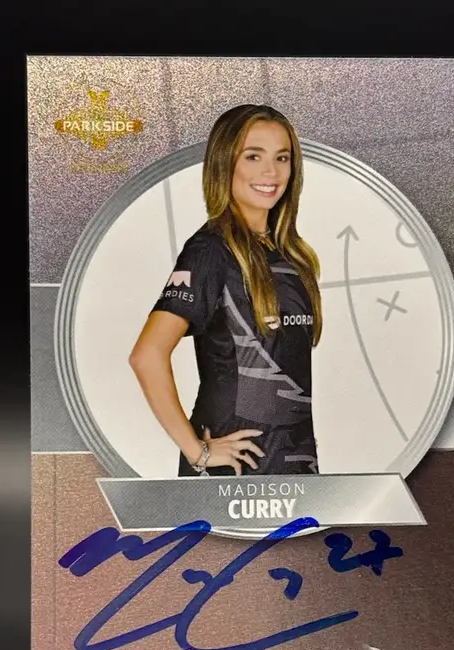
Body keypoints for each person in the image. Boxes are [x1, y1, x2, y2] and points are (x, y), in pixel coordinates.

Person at [129, 104, 323, 477]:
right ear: (224, 163)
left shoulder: (293, 255)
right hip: (233, 472)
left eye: (282, 158)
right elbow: (147, 355)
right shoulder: (210, 250)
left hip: (294, 464)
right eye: (253, 156)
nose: (271, 172)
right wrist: (197, 452)